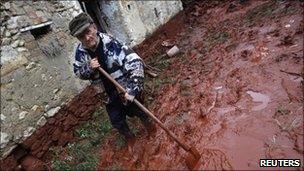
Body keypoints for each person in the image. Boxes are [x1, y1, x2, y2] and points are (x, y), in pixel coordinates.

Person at [69, 13, 155, 146]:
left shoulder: (111, 43)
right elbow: (78, 73)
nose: (86, 38)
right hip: (107, 95)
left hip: (124, 89)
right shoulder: (80, 53)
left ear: (94, 27)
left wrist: (132, 89)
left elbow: (135, 62)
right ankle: (131, 141)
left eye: (88, 32)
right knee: (117, 121)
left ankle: (152, 131)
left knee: (140, 111)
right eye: (81, 36)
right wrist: (89, 67)